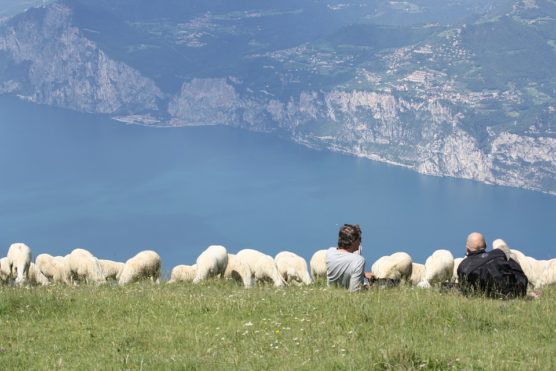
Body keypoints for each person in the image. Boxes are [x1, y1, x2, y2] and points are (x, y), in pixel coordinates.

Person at [457, 232, 528, 299]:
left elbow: (465, 289)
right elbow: (518, 272)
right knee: (498, 242)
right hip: (516, 293)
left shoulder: (464, 266)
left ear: (467, 249)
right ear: (485, 246)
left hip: (488, 298)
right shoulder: (500, 253)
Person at [326, 224, 374, 292]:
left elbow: (344, 267)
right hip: (346, 297)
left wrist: (364, 274)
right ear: (352, 241)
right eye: (359, 239)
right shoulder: (358, 260)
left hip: (331, 293)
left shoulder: (330, 252)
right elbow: (355, 291)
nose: (360, 242)